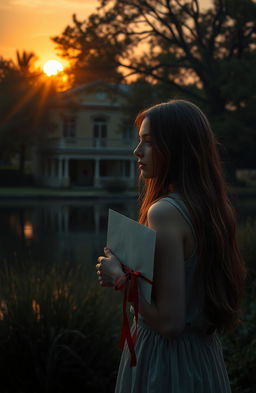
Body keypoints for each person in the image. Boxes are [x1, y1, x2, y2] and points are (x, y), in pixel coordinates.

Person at [96, 99, 246, 393]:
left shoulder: (164, 212)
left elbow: (170, 324)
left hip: (166, 363)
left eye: (148, 142)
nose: (136, 151)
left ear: (176, 148)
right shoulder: (213, 209)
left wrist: (119, 280)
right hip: (203, 357)